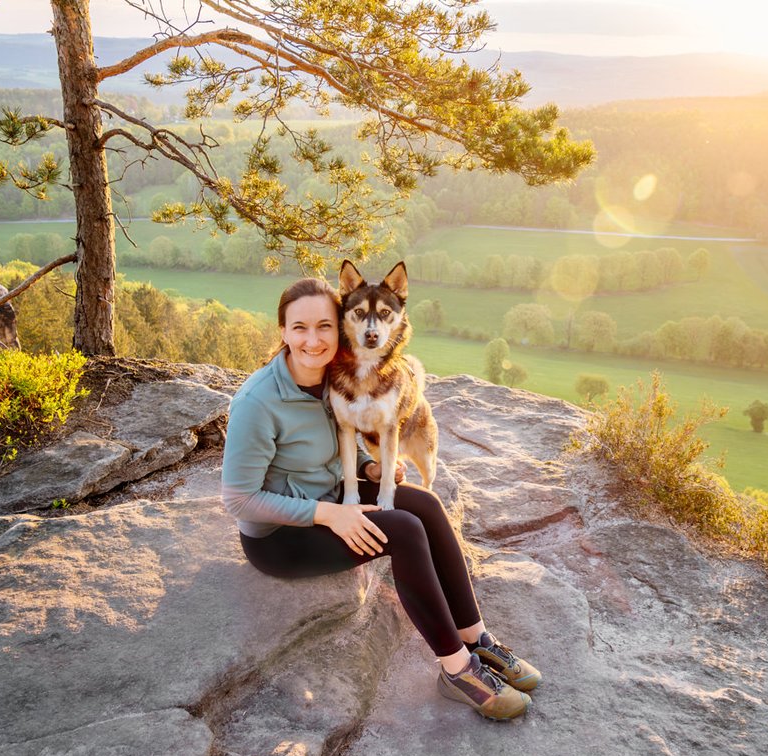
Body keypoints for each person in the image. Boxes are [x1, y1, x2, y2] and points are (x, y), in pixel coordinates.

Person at [221, 277, 540, 720]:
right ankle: (457, 669)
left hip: (330, 497)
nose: (312, 340)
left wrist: (369, 471)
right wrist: (329, 514)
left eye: (323, 327)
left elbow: (327, 454)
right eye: (299, 328)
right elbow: (238, 499)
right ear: (282, 331)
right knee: (405, 531)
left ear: (340, 328)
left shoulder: (333, 380)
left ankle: (478, 638)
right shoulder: (259, 400)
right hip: (280, 536)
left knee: (424, 505)